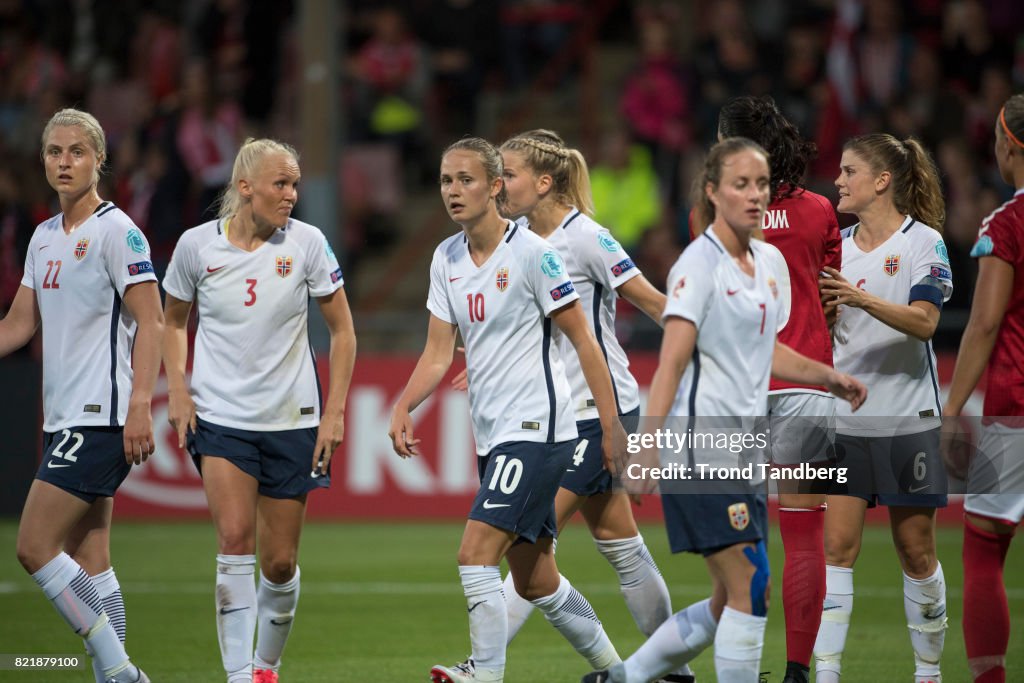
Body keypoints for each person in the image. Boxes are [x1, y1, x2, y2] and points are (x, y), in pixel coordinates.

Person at [583, 138, 866, 683]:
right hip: (701, 446)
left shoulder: (767, 262)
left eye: (761, 183)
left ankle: (622, 678)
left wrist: (827, 375)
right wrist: (645, 450)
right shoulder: (698, 265)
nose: (755, 195)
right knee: (749, 587)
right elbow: (670, 363)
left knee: (724, 599)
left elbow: (767, 347)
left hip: (744, 447)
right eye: (741, 184)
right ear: (712, 192)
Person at [388, 137, 626, 683]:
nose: (453, 190)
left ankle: (484, 675)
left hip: (539, 429)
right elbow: (437, 351)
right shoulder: (445, 257)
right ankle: (617, 673)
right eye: (446, 180)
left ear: (496, 186)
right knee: (536, 578)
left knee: (475, 554)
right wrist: (405, 404)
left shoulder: (533, 255)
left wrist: (611, 427)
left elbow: (585, 343)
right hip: (493, 434)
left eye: (466, 179)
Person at [496, 129, 693, 683]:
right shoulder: (516, 240)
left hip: (599, 412)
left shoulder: (588, 238)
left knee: (525, 539)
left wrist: (707, 347)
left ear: (542, 182)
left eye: (507, 174)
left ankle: (479, 668)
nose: (498, 184)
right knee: (619, 543)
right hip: (557, 412)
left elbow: (653, 302)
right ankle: (673, 671)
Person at [162, 138, 356, 683]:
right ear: (245, 186)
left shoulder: (309, 244)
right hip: (221, 419)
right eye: (281, 183)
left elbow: (343, 332)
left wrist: (334, 413)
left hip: (293, 420)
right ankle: (238, 676)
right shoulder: (196, 248)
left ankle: (265, 666)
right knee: (233, 542)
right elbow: (172, 322)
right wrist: (176, 387)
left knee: (279, 563)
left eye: (294, 184)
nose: (292, 194)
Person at [4, 108, 160, 683]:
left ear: (99, 160)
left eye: (77, 152)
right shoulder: (44, 238)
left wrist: (141, 403)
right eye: (54, 152)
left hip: (102, 416)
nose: (64, 162)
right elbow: (19, 325)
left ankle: (119, 671)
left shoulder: (119, 232)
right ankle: (112, 674)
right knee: (92, 558)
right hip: (64, 416)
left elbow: (154, 321)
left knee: (34, 547)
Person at [814, 134, 953, 683]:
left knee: (916, 551)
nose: (838, 181)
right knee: (836, 550)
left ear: (882, 180)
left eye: (849, 172)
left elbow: (925, 322)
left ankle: (928, 673)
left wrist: (859, 297)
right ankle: (826, 674)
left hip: (907, 421)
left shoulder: (925, 242)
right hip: (844, 422)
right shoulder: (835, 248)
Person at [715, 95, 843, 683]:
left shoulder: (714, 213)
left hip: (739, 390)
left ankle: (739, 669)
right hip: (806, 387)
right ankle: (796, 673)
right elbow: (832, 300)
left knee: (740, 536)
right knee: (805, 536)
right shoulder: (820, 210)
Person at [942, 93, 1024, 683]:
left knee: (983, 548)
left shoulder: (1007, 224)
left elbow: (985, 322)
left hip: (1014, 406)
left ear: (1009, 145)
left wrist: (951, 411)